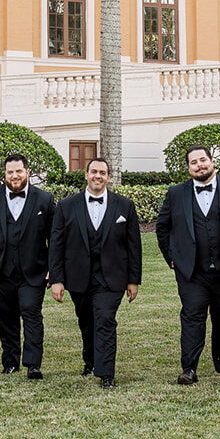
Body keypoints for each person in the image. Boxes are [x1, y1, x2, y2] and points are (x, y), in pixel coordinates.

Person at [156, 145, 220, 385]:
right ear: (189, 168)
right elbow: (163, 228)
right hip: (192, 272)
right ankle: (189, 368)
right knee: (192, 316)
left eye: (202, 160)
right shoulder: (175, 193)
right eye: (193, 162)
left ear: (212, 162)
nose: (199, 165)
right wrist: (172, 257)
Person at [48, 158, 142, 390]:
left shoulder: (125, 206)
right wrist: (57, 280)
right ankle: (90, 361)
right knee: (86, 321)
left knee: (105, 320)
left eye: (103, 172)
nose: (98, 176)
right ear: (86, 176)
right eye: (93, 172)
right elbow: (56, 245)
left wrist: (133, 280)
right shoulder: (67, 206)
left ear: (108, 177)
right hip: (78, 276)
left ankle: (106, 373)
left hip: (112, 277)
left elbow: (134, 246)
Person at [0, 153, 56, 379]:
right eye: (10, 172)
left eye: (19, 171)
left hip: (34, 270)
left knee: (31, 313)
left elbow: (55, 237)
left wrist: (53, 267)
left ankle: (33, 364)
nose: (15, 176)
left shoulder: (44, 200)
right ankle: (10, 362)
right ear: (5, 174)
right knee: (6, 317)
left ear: (27, 172)